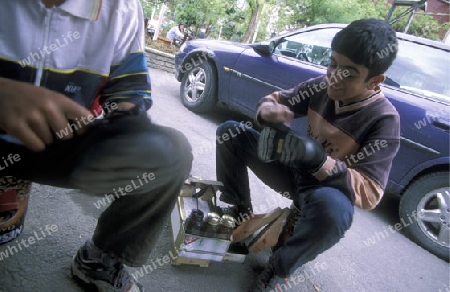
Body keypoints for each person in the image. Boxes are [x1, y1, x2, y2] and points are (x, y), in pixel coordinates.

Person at [0, 1, 192, 291]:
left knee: (170, 152)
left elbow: (128, 86)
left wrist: (128, 128)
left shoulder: (121, 8)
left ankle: (99, 260)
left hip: (61, 139)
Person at [215, 18, 400, 290]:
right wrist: (268, 110)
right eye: (333, 64)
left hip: (322, 190)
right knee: (230, 132)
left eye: (348, 72)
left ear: (375, 80)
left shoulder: (384, 120)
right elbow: (275, 99)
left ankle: (279, 267)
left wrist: (319, 159)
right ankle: (241, 213)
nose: (334, 77)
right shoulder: (321, 87)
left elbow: (371, 193)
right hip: (290, 170)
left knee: (335, 214)